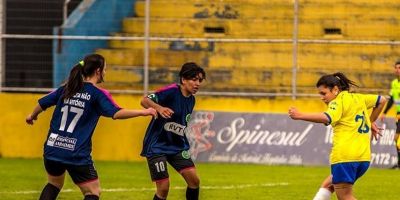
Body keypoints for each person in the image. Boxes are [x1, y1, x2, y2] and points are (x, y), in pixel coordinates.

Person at [26, 54, 157, 200]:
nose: (105, 73)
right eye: (105, 69)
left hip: (52, 147)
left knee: (54, 184)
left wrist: (32, 115)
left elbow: (43, 103)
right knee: (93, 192)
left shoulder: (67, 88)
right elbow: (116, 113)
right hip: (76, 153)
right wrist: (143, 112)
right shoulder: (97, 94)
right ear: (98, 71)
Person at [288, 72, 386, 200]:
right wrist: (371, 121)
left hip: (345, 157)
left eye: (323, 93)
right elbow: (382, 100)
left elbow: (327, 117)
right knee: (328, 186)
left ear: (335, 89)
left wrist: (300, 115)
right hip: (363, 158)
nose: (322, 98)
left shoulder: (337, 102)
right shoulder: (358, 98)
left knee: (345, 196)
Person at [140, 62, 206, 200]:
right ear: (183, 79)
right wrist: (159, 108)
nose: (197, 84)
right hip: (157, 146)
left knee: (194, 182)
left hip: (177, 146)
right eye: (194, 79)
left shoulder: (191, 100)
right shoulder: (171, 91)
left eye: (199, 80)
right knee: (163, 188)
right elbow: (144, 100)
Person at [380, 60, 400, 169]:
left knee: (397, 138)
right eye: (396, 68)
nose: (397, 70)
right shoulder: (394, 83)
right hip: (398, 114)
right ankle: (399, 164)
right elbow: (392, 99)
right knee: (397, 140)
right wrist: (384, 112)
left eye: (399, 68)